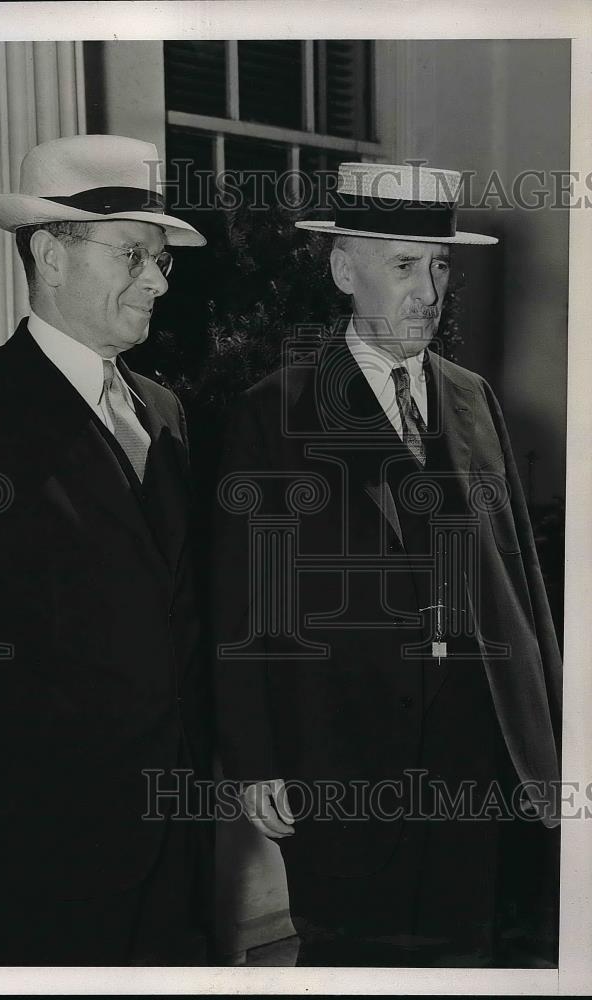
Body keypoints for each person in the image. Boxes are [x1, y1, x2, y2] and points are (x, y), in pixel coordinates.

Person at [213, 162, 562, 967]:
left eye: (440, 267)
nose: (428, 291)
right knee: (351, 957)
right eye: (403, 265)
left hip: (470, 748)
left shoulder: (472, 397)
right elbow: (244, 603)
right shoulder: (278, 409)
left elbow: (520, 582)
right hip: (340, 751)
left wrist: (542, 726)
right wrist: (256, 760)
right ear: (344, 269)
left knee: (466, 957)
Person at [0, 134, 212, 966]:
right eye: (134, 254)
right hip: (32, 842)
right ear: (49, 253)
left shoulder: (166, 412)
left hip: (173, 835)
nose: (158, 280)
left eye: (163, 260)